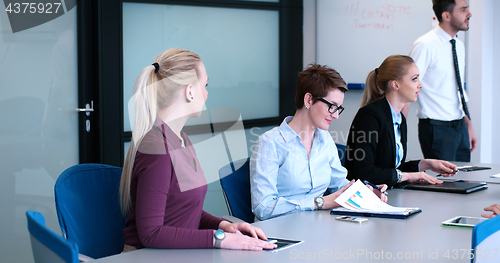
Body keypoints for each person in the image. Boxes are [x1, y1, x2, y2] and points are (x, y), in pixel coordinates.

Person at [119, 48, 276, 251]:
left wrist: (223, 226)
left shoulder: (181, 139)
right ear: (190, 91)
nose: (207, 92)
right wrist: (219, 239)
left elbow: (182, 209)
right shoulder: (157, 149)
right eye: (205, 84)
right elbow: (151, 233)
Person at [250, 64, 387, 221]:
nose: (336, 116)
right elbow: (263, 207)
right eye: (332, 107)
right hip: (279, 232)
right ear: (309, 99)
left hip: (316, 226)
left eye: (338, 108)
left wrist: (364, 192)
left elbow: (340, 184)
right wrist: (319, 202)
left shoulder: (325, 139)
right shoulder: (270, 143)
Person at [345, 55, 457, 188]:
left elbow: (392, 167)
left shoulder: (399, 118)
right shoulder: (369, 116)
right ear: (395, 85)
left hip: (388, 194)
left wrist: (426, 164)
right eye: (414, 79)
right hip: (366, 197)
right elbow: (363, 172)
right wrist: (409, 176)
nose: (420, 84)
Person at [408, 0, 477, 162]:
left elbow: (458, 87)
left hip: (460, 126)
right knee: (445, 185)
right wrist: (398, 131)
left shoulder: (458, 45)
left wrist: (468, 126)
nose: (469, 14)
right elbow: (407, 87)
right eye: (463, 10)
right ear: (446, 15)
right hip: (436, 129)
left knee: (463, 180)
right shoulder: (425, 45)